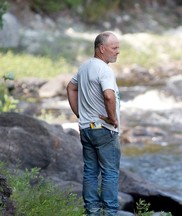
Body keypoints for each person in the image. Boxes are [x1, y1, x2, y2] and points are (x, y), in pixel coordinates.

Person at [66, 31, 121, 216]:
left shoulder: (84, 67)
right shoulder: (104, 70)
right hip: (104, 130)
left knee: (90, 172)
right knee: (110, 173)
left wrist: (79, 114)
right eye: (114, 48)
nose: (118, 51)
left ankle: (92, 212)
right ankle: (110, 213)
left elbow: (71, 87)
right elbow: (108, 95)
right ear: (102, 48)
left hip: (86, 129)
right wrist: (113, 119)